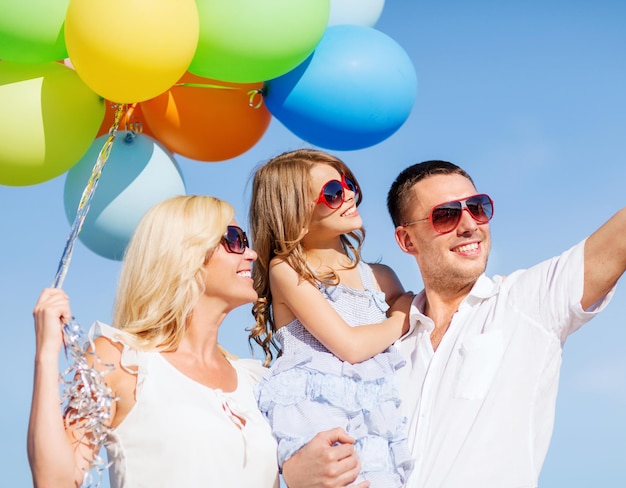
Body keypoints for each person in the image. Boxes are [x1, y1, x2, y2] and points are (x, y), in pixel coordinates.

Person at [384, 159, 625, 487]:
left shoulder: (528, 302)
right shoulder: (385, 343)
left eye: (477, 207)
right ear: (407, 240)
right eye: (446, 214)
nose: (470, 225)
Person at [27, 195, 281, 488]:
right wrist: (46, 355)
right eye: (235, 239)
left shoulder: (254, 382)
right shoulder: (122, 361)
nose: (251, 254)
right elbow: (53, 481)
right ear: (187, 254)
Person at [248, 149, 415, 487]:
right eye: (333, 192)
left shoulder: (379, 276)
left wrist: (403, 307)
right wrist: (402, 318)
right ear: (294, 212)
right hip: (319, 415)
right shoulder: (290, 270)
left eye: (348, 183)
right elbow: (350, 346)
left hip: (375, 416)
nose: (349, 195)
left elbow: (407, 305)